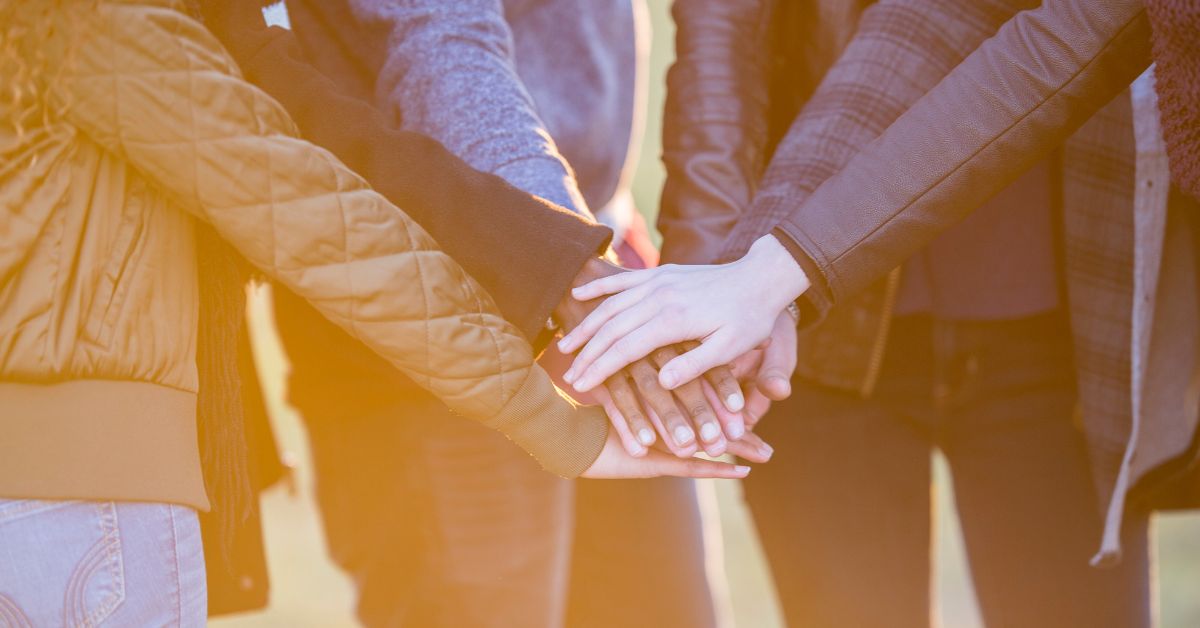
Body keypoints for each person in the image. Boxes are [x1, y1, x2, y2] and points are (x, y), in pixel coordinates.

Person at [0, 0, 745, 623]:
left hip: (561, 273)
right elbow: (302, 185)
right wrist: (564, 292)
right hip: (91, 494)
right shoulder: (94, 23)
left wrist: (597, 247)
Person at [561, 0, 1199, 624]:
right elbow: (729, 26)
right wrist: (723, 280)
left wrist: (756, 273)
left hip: (1058, 312)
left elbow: (1050, 34)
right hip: (816, 335)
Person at [209, 1, 772, 625]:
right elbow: (439, 40)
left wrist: (687, 268)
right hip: (418, 316)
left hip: (596, 271)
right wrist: (559, 263)